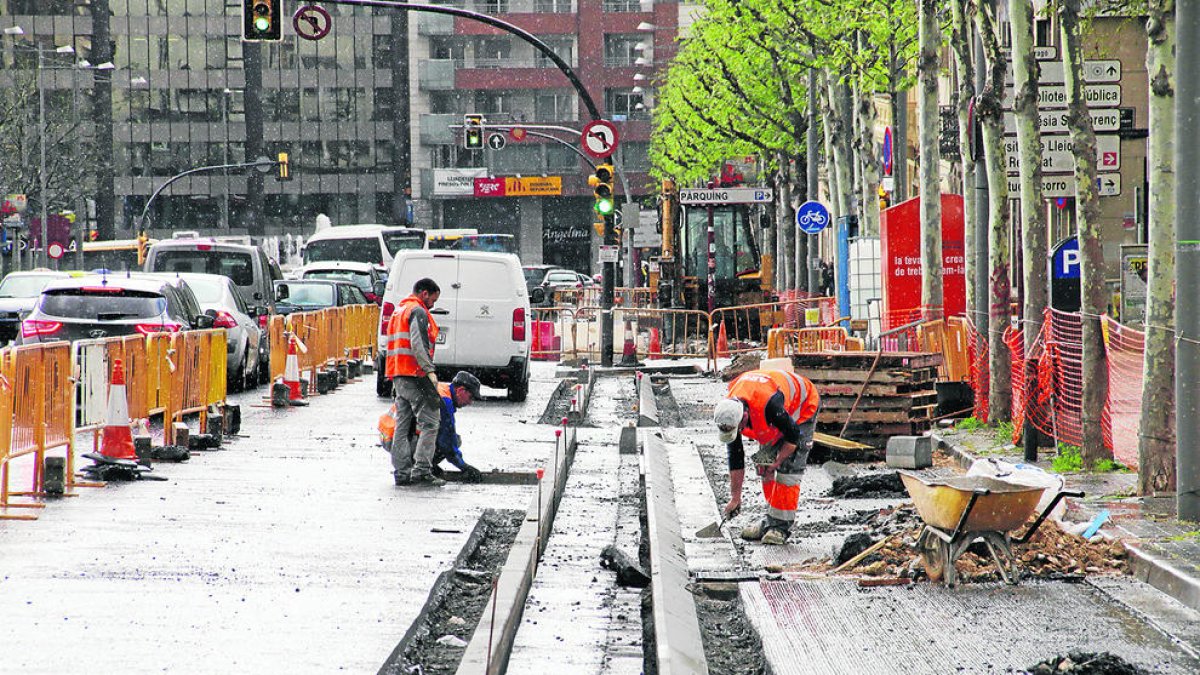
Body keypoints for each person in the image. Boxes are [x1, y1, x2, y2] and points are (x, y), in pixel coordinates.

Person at [712, 368, 820, 545]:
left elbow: (792, 436)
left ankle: (780, 528)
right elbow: (735, 456)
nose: (739, 432)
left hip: (803, 406)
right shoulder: (729, 412)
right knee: (764, 465)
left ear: (744, 415)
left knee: (788, 471)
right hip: (775, 411)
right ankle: (770, 520)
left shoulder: (770, 405)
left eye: (739, 428)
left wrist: (778, 461)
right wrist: (735, 497)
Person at [384, 277, 443, 486]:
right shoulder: (417, 311)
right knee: (431, 421)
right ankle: (422, 470)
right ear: (424, 293)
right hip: (414, 374)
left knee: (403, 423)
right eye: (433, 300)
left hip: (398, 374)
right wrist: (430, 371)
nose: (433, 305)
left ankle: (401, 471)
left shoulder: (399, 311)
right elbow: (418, 344)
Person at [377, 371, 484, 482]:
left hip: (388, 434)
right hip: (398, 440)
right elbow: (448, 443)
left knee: (439, 434)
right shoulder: (444, 401)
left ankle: (423, 466)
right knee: (454, 440)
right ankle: (421, 470)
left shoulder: (441, 388)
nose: (470, 402)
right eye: (470, 397)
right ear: (461, 391)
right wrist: (464, 467)